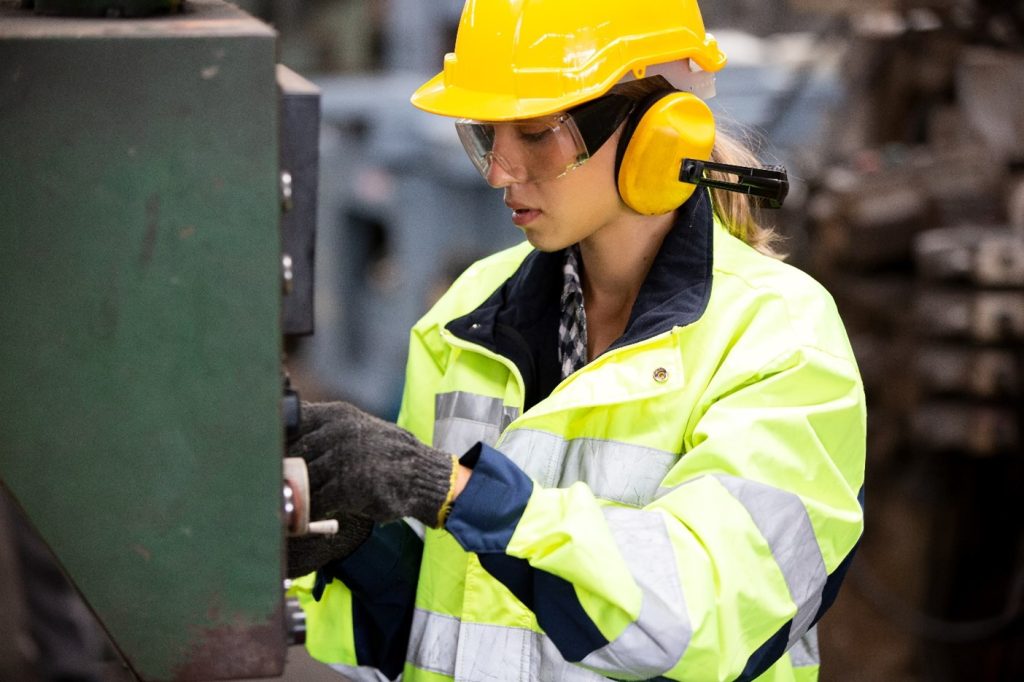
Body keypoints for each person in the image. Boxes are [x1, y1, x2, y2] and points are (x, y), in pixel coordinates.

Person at [287, 1, 866, 680]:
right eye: (485, 132)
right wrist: (352, 547)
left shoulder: (781, 338)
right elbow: (436, 617)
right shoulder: (467, 314)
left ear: (663, 133)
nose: (500, 170)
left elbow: (704, 611)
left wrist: (458, 492)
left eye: (535, 132)